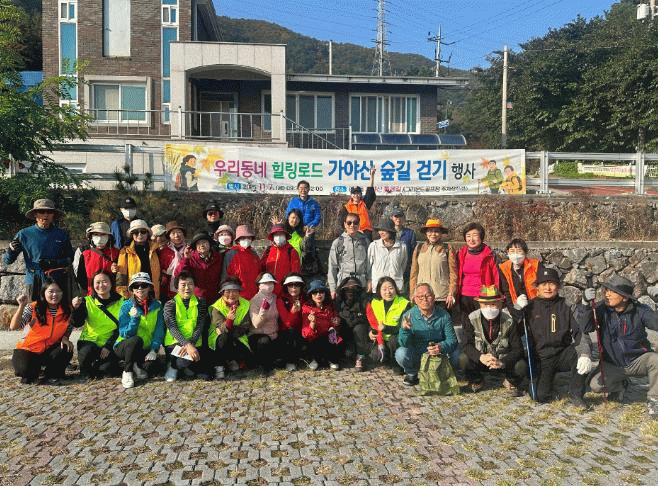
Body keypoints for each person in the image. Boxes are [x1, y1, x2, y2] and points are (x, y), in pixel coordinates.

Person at [577, 276, 658, 418]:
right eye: (606, 290)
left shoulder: (640, 310)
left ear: (625, 297)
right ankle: (621, 385)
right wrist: (585, 303)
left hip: (637, 361)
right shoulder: (601, 309)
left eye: (612, 291)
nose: (607, 294)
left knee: (655, 360)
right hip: (612, 363)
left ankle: (654, 400)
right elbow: (585, 327)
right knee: (595, 386)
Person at [527, 267, 590, 406]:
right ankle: (546, 382)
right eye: (543, 284)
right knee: (539, 396)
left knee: (579, 354)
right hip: (542, 358)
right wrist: (518, 310)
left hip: (562, 354)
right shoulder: (530, 307)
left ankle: (576, 393)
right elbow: (518, 330)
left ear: (558, 286)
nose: (548, 288)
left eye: (552, 284)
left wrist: (585, 354)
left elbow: (580, 332)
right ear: (537, 287)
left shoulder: (568, 306)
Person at [459, 285, 526, 396]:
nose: (489, 308)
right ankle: (477, 381)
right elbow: (466, 345)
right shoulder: (471, 319)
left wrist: (502, 362)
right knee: (463, 358)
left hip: (501, 362)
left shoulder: (509, 321)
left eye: (493, 304)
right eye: (485, 305)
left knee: (521, 365)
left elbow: (518, 349)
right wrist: (480, 357)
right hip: (481, 361)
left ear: (500, 305)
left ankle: (510, 381)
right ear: (479, 304)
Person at [3, 199, 74, 300]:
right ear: (35, 214)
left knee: (56, 309)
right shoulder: (24, 234)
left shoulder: (61, 234)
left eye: (49, 212)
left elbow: (70, 259)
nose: (45, 215)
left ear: (53, 215)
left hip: (56, 281)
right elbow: (7, 260)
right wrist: (11, 251)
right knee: (33, 308)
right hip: (33, 280)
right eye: (41, 212)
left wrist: (53, 263)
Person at [10, 277, 74, 385]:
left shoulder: (67, 310)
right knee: (25, 372)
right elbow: (14, 326)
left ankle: (50, 373)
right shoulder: (33, 307)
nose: (55, 294)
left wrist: (65, 337)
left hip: (50, 350)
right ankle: (35, 371)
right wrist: (21, 306)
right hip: (29, 349)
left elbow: (69, 326)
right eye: (51, 291)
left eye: (58, 291)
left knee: (66, 348)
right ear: (44, 292)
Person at [396, 284, 457, 386]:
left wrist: (441, 346)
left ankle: (449, 373)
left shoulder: (444, 315)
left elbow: (452, 340)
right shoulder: (408, 315)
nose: (424, 299)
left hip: (438, 355)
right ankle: (412, 373)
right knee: (401, 353)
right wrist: (405, 330)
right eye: (420, 296)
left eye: (428, 296)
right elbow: (403, 343)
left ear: (434, 297)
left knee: (458, 355)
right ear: (415, 300)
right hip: (418, 353)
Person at [71, 270, 123, 381]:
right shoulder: (87, 301)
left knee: (107, 370)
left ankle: (100, 365)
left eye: (104, 282)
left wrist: (108, 346)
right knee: (86, 358)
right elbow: (77, 323)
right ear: (93, 285)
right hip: (89, 341)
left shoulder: (122, 302)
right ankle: (87, 369)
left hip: (110, 343)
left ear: (111, 283)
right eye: (97, 282)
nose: (101, 285)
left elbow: (122, 328)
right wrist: (76, 309)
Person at [115, 273, 165, 389]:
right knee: (136, 340)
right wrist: (134, 319)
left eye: (144, 285)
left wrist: (154, 349)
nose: (140, 288)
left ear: (149, 287)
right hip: (126, 345)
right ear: (132, 289)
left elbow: (159, 330)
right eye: (136, 286)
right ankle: (127, 372)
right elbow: (125, 333)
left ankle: (136, 364)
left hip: (145, 347)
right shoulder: (126, 305)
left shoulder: (157, 306)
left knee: (151, 368)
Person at [163, 270, 208, 382]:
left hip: (195, 342)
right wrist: (187, 345)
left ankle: (185, 366)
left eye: (190, 284)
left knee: (205, 368)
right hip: (175, 343)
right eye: (183, 285)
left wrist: (191, 344)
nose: (187, 288)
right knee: (185, 360)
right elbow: (172, 327)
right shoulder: (170, 304)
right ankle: (172, 366)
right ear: (177, 287)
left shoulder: (201, 302)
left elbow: (200, 326)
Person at [208, 277, 253, 379]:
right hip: (218, 341)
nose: (231, 295)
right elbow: (219, 326)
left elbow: (245, 326)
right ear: (222, 293)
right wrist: (229, 321)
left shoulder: (246, 304)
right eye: (228, 291)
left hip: (239, 337)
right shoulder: (216, 307)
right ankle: (219, 367)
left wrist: (229, 329)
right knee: (224, 338)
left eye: (235, 291)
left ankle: (235, 362)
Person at [366, 277, 411, 374]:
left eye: (391, 288)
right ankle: (385, 360)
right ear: (379, 290)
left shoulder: (404, 303)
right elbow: (371, 321)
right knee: (373, 356)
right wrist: (370, 331)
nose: (388, 292)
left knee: (393, 341)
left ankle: (397, 363)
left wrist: (386, 328)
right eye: (384, 289)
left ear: (395, 288)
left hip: (396, 338)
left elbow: (402, 327)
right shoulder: (374, 302)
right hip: (380, 339)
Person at [409, 218, 457, 310]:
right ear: (426, 233)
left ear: (441, 233)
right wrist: (413, 293)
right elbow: (413, 273)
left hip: (441, 295)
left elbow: (453, 273)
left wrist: (451, 293)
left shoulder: (447, 248)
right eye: (430, 231)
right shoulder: (419, 248)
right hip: (422, 295)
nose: (433, 234)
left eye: (436, 231)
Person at [457, 222, 499, 317]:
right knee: (467, 323)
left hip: (484, 296)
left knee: (483, 323)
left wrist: (496, 295)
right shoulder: (461, 253)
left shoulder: (489, 254)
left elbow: (496, 276)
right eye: (468, 236)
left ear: (481, 237)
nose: (471, 239)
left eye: (475, 235)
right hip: (464, 296)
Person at [498, 238, 540, 328]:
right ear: (508, 252)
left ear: (525, 252)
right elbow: (506, 292)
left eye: (519, 251)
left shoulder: (535, 265)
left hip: (535, 306)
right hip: (515, 305)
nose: (515, 255)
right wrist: (514, 309)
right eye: (512, 251)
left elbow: (541, 287)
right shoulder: (503, 268)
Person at [302, 279, 342, 370]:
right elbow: (306, 334)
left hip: (328, 338)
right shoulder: (306, 308)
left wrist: (337, 322)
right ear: (310, 295)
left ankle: (332, 359)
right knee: (313, 341)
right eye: (315, 292)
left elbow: (336, 326)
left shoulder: (330, 306)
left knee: (333, 334)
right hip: (314, 339)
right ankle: (314, 360)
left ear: (325, 293)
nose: (318, 295)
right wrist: (312, 323)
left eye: (321, 292)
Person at [327, 213, 370, 300]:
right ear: (344, 224)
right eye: (349, 223)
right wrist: (332, 288)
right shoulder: (338, 242)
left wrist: (370, 280)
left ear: (359, 224)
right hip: (344, 283)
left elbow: (370, 263)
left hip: (361, 284)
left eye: (355, 222)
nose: (352, 225)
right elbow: (332, 266)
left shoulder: (365, 241)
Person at [116, 220, 161, 300]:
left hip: (153, 295)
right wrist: (125, 296)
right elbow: (121, 277)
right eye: (136, 233)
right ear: (132, 235)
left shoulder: (156, 250)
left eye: (143, 232)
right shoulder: (125, 252)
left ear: (147, 234)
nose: (140, 235)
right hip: (134, 296)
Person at [175, 232, 223, 304]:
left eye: (204, 242)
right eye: (198, 244)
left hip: (215, 297)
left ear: (209, 244)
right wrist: (186, 259)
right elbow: (178, 274)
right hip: (197, 297)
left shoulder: (218, 257)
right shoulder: (191, 258)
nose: (202, 245)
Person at [335, 276, 371, 372]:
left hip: (360, 336)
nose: (350, 292)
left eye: (354, 289)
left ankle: (361, 356)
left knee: (360, 327)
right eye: (347, 290)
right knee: (348, 354)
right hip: (346, 335)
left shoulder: (363, 302)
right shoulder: (339, 303)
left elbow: (370, 319)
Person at [75, 222, 119, 296]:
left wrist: (116, 271)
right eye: (96, 235)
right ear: (91, 237)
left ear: (109, 236)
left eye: (103, 234)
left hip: (113, 295)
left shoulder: (117, 253)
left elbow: (122, 277)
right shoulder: (85, 254)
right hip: (92, 295)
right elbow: (81, 279)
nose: (100, 238)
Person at [248, 273, 280, 374]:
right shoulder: (254, 301)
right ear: (259, 285)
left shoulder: (275, 298)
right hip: (259, 336)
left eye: (271, 283)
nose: (269, 286)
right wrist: (262, 311)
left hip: (274, 334)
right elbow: (256, 324)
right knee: (264, 342)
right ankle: (264, 367)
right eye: (265, 283)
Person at [367, 218, 407, 294]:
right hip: (378, 287)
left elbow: (403, 266)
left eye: (384, 230)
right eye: (380, 230)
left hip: (396, 287)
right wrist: (369, 281)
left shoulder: (402, 246)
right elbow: (368, 266)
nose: (381, 232)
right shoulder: (374, 246)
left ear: (391, 231)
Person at [222, 224, 261, 299]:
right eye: (243, 238)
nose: (246, 240)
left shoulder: (254, 254)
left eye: (248, 238)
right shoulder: (231, 254)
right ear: (238, 240)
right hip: (237, 296)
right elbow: (225, 276)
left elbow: (259, 274)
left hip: (254, 295)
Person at [260, 224, 301, 296]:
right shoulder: (268, 251)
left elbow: (295, 272)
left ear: (285, 236)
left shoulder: (291, 251)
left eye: (281, 234)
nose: (278, 237)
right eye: (276, 235)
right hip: (269, 290)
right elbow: (262, 269)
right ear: (273, 237)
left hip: (285, 291)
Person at [276, 273, 306, 372]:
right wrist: (293, 312)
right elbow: (288, 323)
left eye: (297, 285)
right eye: (290, 285)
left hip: (302, 331)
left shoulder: (305, 299)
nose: (294, 288)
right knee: (291, 332)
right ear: (286, 287)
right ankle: (290, 361)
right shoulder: (281, 300)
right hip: (286, 334)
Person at [338, 167, 377, 239]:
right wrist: (352, 230)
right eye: (354, 193)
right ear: (351, 195)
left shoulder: (365, 203)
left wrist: (372, 176)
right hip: (352, 232)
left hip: (366, 232)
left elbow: (370, 191)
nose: (356, 195)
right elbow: (342, 222)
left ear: (361, 194)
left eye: (358, 193)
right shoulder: (346, 207)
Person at [159, 221, 188, 300]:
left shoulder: (190, 250)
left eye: (179, 232)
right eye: (173, 233)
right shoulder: (164, 251)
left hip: (187, 286)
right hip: (167, 289)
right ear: (169, 236)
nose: (176, 235)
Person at [390, 207, 416, 292]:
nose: (398, 219)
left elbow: (413, 251)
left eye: (400, 216)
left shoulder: (410, 233)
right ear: (392, 218)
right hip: (391, 267)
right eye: (396, 216)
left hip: (405, 269)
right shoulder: (388, 233)